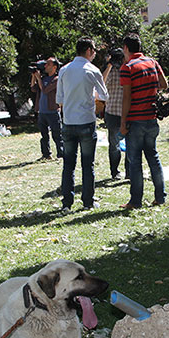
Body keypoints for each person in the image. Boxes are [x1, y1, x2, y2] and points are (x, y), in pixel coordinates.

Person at [55, 39, 107, 211]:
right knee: (87, 164)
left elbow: (59, 99)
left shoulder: (64, 70)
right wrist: (92, 94)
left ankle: (67, 203)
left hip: (68, 121)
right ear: (89, 50)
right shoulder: (93, 70)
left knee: (68, 164)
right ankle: (87, 201)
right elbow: (104, 96)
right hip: (86, 121)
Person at [119, 33, 167, 209]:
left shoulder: (127, 67)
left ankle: (135, 201)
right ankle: (160, 197)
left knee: (135, 162)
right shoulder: (152, 62)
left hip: (135, 120)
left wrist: (123, 122)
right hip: (151, 118)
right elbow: (164, 84)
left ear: (126, 48)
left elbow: (126, 97)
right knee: (153, 157)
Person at [100, 48, 125, 178]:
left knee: (131, 144)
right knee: (114, 145)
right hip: (112, 112)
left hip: (127, 113)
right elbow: (101, 83)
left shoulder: (128, 69)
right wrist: (109, 65)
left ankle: (130, 172)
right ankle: (115, 172)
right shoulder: (110, 72)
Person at [31, 58, 63, 161]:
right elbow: (33, 88)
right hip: (42, 111)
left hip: (52, 111)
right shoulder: (43, 78)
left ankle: (61, 154)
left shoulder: (57, 79)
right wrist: (34, 77)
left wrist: (38, 78)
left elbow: (45, 90)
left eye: (48, 64)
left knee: (57, 135)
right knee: (43, 135)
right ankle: (46, 154)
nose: (45, 66)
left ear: (54, 67)